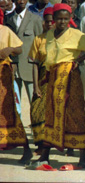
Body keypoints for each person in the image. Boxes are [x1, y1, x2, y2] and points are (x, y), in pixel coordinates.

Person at [32, 3, 85, 168]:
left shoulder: (76, 34)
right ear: (53, 19)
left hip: (71, 78)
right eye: (59, 18)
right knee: (51, 114)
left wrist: (78, 60)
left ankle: (82, 157)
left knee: (75, 113)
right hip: (53, 79)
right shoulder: (48, 35)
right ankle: (45, 155)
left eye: (65, 18)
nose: (62, 21)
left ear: (70, 19)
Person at [0, 9, 33, 165]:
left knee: (9, 111)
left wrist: (10, 49)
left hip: (2, 76)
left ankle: (26, 149)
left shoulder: (5, 30)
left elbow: (19, 48)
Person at [4, 0, 42, 107]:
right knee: (14, 102)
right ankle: (17, 125)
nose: (21, 1)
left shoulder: (35, 19)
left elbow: (40, 42)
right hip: (12, 66)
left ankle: (35, 125)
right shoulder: (7, 19)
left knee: (34, 99)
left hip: (29, 67)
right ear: (13, 1)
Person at [27, 7, 54, 156]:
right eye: (47, 21)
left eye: (52, 21)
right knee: (36, 111)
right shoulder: (38, 39)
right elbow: (35, 65)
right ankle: (40, 144)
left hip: (57, 79)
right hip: (42, 80)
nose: (49, 24)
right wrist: (36, 86)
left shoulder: (59, 38)